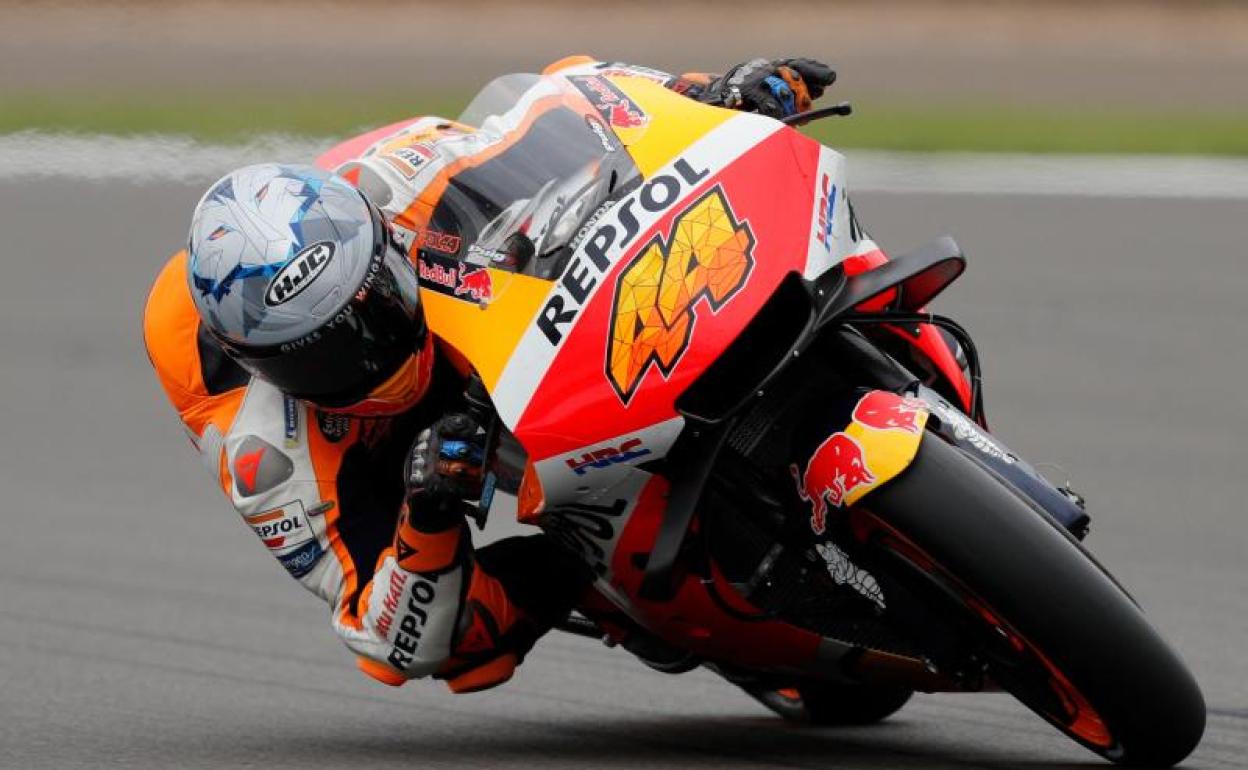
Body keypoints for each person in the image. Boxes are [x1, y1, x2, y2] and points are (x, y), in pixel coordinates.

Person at [143, 56, 836, 693]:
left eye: (375, 304)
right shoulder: (264, 448)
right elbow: (385, 637)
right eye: (322, 356)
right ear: (264, 367)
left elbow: (570, 95)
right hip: (388, 451)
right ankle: (590, 576)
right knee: (466, 641)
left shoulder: (400, 184)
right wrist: (429, 514)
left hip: (454, 308)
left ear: (380, 248)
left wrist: (708, 93)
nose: (370, 352)